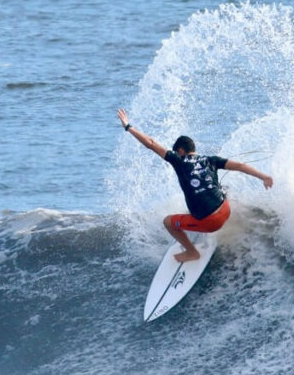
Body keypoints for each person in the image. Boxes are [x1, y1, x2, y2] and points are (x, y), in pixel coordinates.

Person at [116, 109, 273, 263]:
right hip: (226, 211)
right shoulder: (211, 160)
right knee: (222, 188)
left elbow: (151, 143)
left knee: (167, 222)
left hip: (210, 223)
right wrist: (264, 177)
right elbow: (240, 165)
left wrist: (128, 127)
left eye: (177, 152)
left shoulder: (179, 161)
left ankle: (192, 252)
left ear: (181, 151)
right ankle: (216, 214)